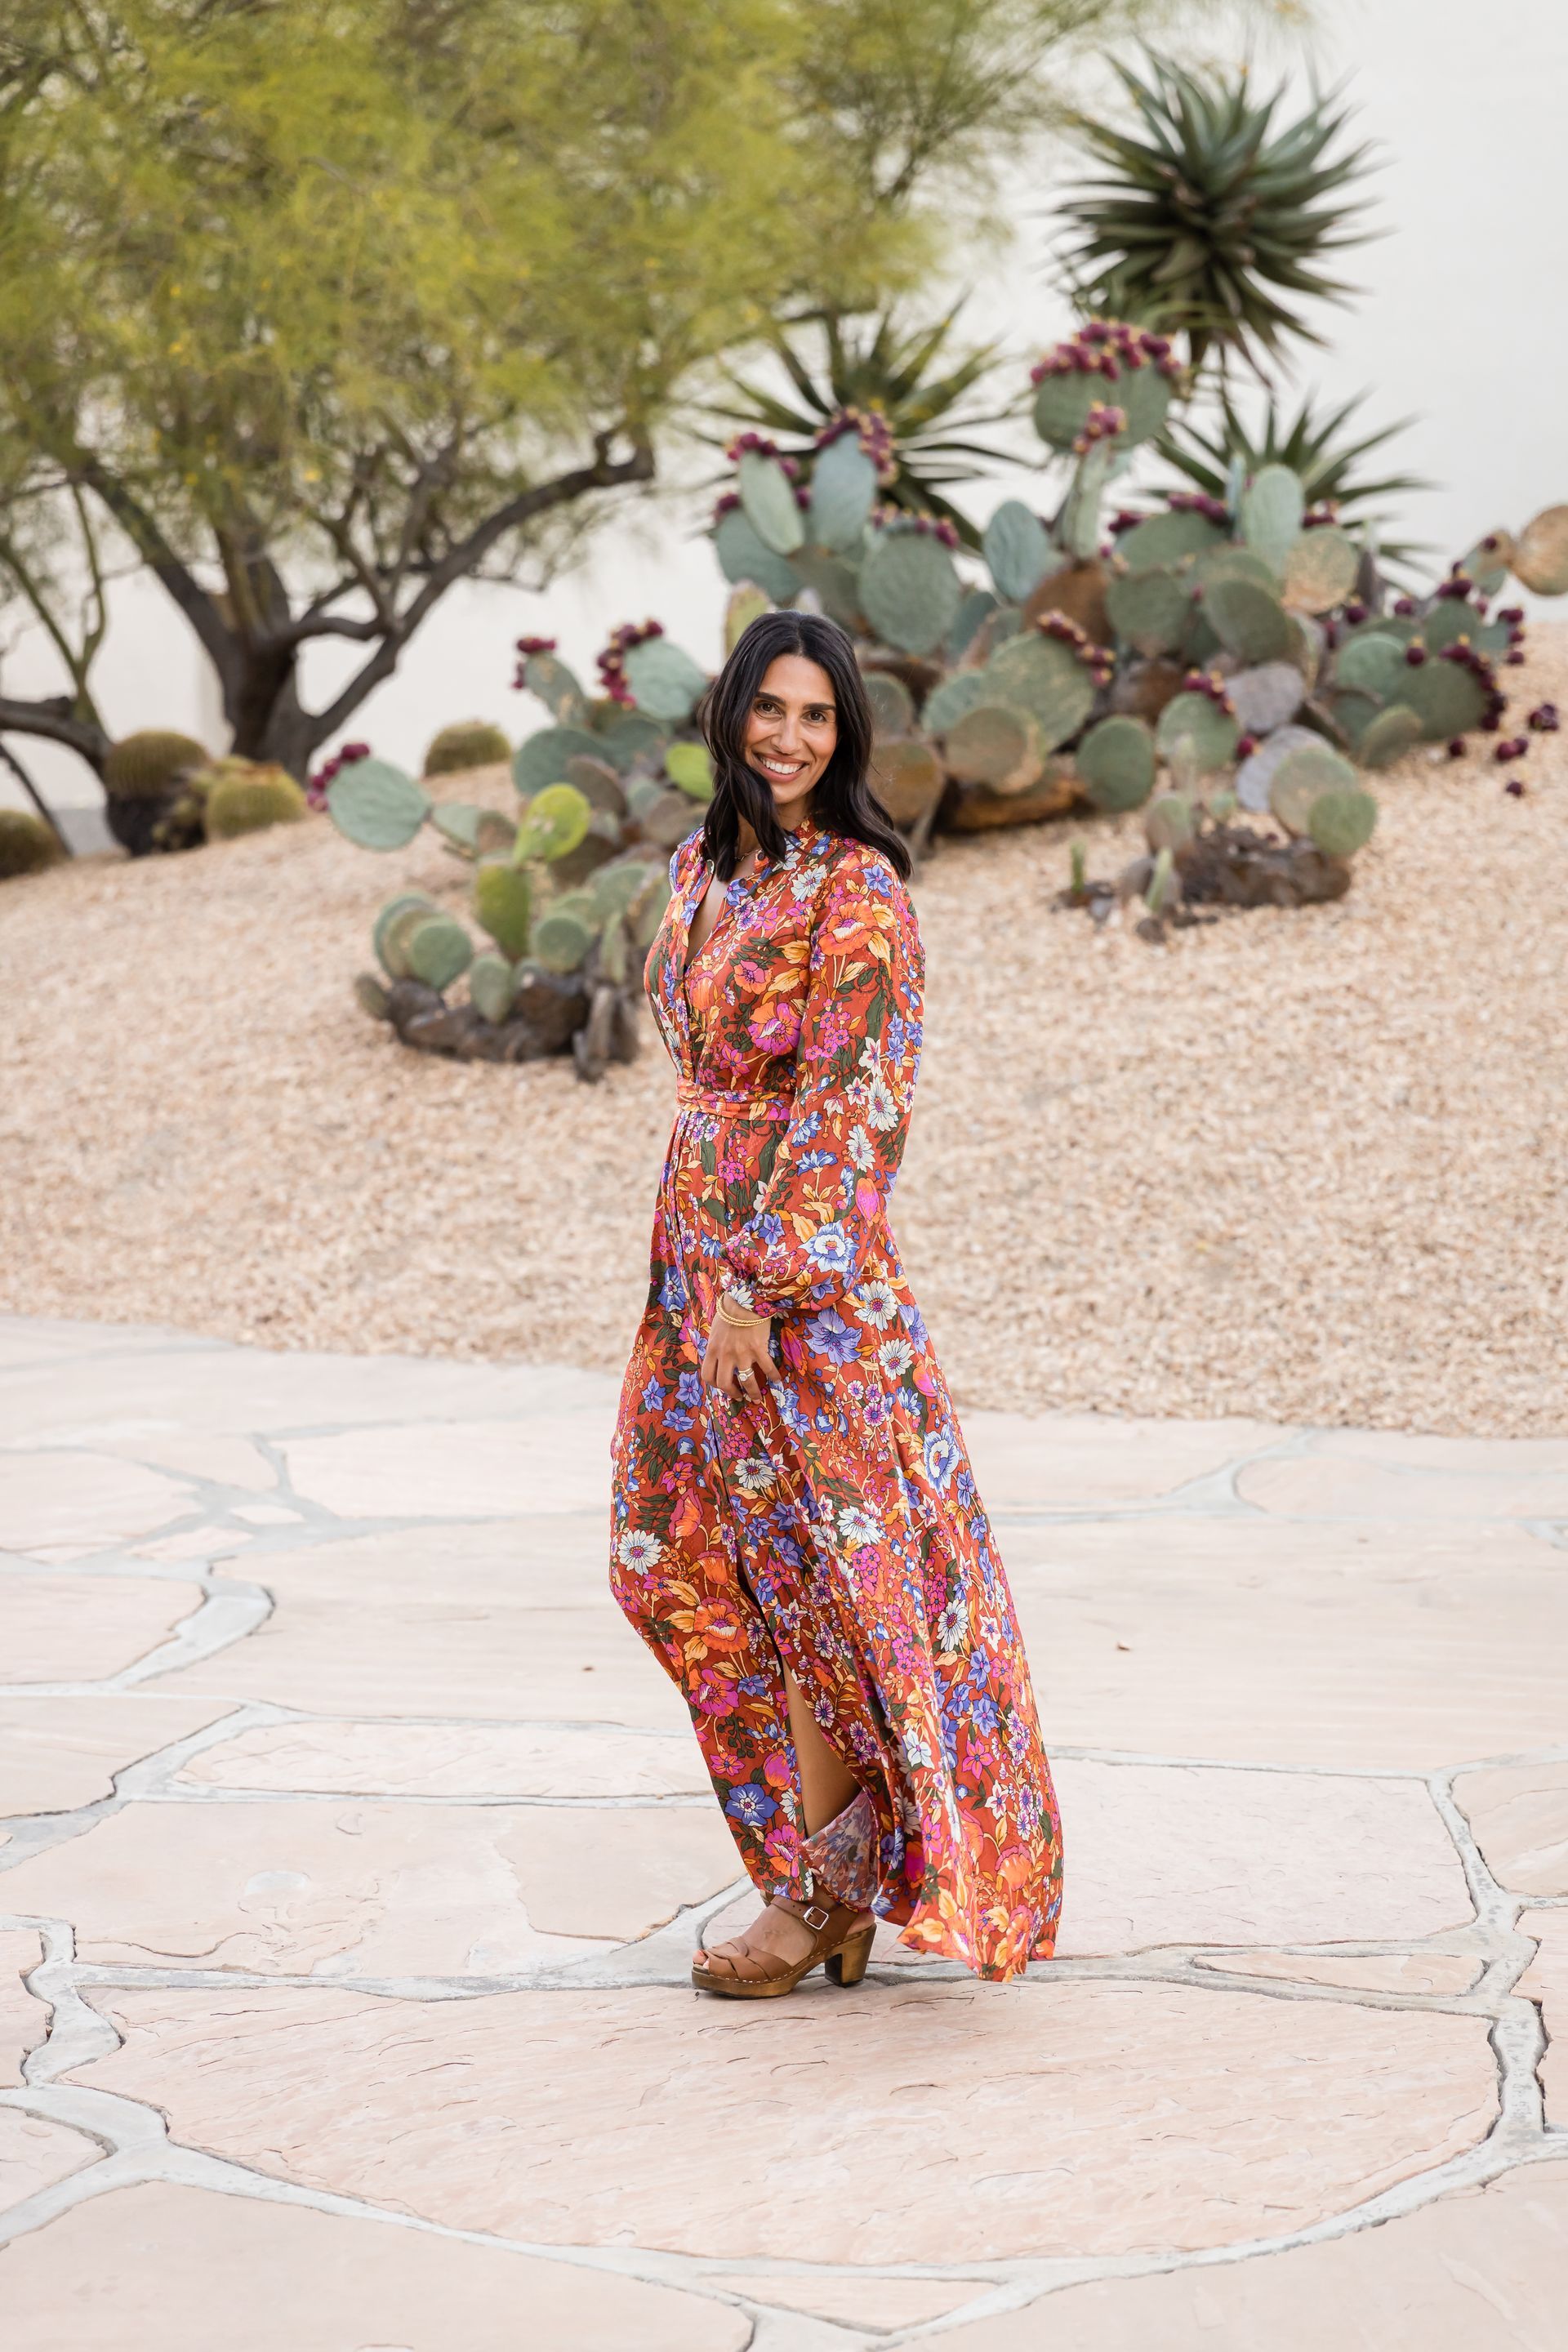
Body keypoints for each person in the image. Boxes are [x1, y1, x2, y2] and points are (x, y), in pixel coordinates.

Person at [610, 609, 1062, 1996]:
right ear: (731, 713)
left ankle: (819, 1896)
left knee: (819, 1586)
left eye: (817, 716)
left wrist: (762, 1282)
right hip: (695, 1265)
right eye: (771, 708)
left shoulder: (857, 891)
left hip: (797, 1285)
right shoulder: (700, 865)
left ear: (845, 734)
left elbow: (855, 1109)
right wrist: (701, 1274)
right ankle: (823, 1872)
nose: (790, 738)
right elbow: (704, 1072)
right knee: (680, 1555)